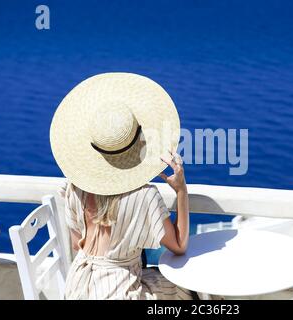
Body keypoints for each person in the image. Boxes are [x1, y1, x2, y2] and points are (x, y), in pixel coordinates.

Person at [50, 72, 195, 299]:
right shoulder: (145, 196)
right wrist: (181, 190)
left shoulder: (73, 187)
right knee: (192, 292)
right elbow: (179, 245)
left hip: (77, 286)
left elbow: (77, 244)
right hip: (120, 291)